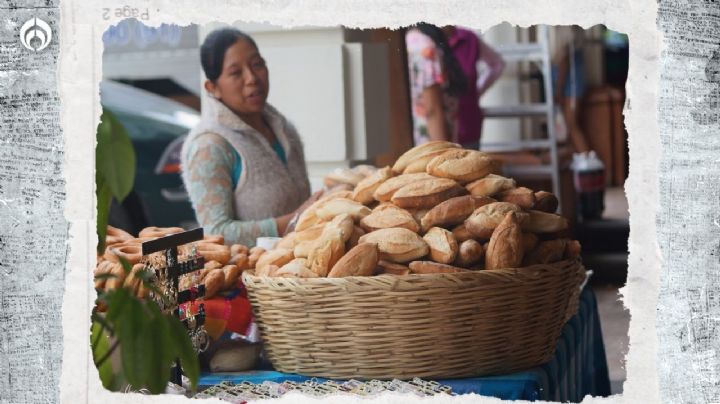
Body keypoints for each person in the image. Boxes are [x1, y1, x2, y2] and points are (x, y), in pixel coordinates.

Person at [181, 28, 320, 247]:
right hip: (246, 277)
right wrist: (296, 220)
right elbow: (214, 232)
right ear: (213, 88)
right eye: (236, 73)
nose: (252, 78)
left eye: (257, 64)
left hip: (296, 271)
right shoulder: (209, 146)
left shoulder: (284, 131)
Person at [405, 23, 467, 145]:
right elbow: (432, 110)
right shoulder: (426, 47)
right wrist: (443, 156)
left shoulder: (414, 37)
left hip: (424, 145)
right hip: (432, 148)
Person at [444, 26, 505, 150]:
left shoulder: (468, 39)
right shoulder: (425, 43)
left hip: (467, 125)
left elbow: (497, 64)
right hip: (440, 130)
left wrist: (477, 91)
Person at [552, 25, 590, 153]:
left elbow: (564, 62)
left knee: (571, 124)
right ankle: (580, 161)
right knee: (570, 126)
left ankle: (587, 163)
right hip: (571, 81)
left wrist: (558, 90)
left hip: (570, 83)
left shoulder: (563, 29)